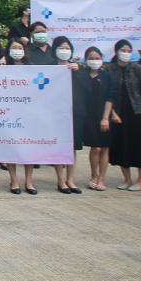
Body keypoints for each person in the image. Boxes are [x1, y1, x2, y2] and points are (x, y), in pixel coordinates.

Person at [103, 39, 141, 191]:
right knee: (121, 146)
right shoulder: (109, 69)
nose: (126, 53)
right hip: (118, 113)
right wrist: (112, 113)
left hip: (137, 112)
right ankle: (127, 179)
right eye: (123, 50)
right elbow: (106, 94)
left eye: (128, 51)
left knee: (140, 146)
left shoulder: (137, 68)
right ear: (116, 51)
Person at [1, 39, 38, 194]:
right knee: (12, 147)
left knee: (28, 148)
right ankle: (14, 180)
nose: (17, 50)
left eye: (20, 47)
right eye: (14, 47)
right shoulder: (2, 67)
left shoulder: (31, 69)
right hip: (9, 112)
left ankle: (29, 181)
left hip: (27, 112)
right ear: (8, 50)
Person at [50, 36, 82, 194]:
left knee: (72, 147)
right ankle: (61, 180)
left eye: (67, 48)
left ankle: (71, 179)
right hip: (56, 113)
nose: (64, 51)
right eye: (61, 47)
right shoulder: (49, 68)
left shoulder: (77, 69)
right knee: (59, 146)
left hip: (73, 112)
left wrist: (78, 70)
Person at [77, 46, 111, 190]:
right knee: (94, 148)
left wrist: (106, 118)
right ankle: (94, 175)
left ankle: (102, 178)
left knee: (104, 148)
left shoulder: (106, 76)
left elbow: (110, 98)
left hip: (103, 116)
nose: (94, 60)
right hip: (88, 116)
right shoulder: (82, 75)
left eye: (97, 58)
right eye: (91, 58)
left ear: (102, 60)